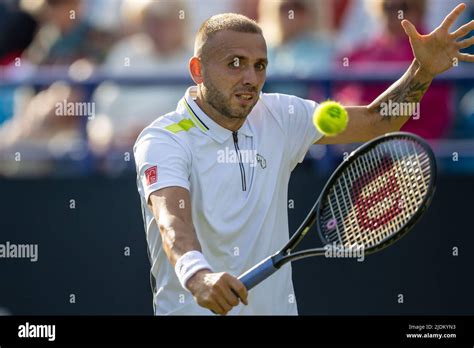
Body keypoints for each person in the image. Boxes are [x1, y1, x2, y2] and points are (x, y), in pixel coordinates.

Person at [133, 6, 474, 315]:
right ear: (198, 70)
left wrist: (422, 70)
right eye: (234, 63)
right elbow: (171, 222)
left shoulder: (281, 114)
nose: (250, 78)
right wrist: (198, 276)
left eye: (259, 65)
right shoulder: (163, 139)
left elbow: (378, 121)